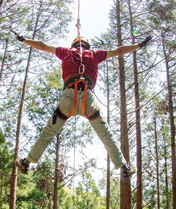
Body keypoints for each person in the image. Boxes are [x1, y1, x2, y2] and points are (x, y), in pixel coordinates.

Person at [14, 35, 152, 178]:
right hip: (88, 100)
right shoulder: (95, 54)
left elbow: (43, 46)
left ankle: (27, 162)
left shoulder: (66, 51)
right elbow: (118, 51)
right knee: (105, 133)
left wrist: (24, 40)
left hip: (68, 99)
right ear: (88, 45)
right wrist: (138, 45)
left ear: (74, 44)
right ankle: (124, 167)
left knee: (49, 131)